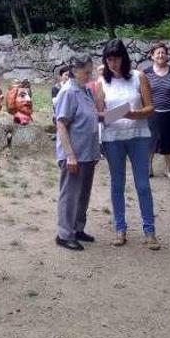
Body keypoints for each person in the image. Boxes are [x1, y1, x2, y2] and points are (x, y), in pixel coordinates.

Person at [95, 39, 160, 250]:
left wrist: (135, 114)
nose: (113, 63)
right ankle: (120, 228)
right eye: (109, 59)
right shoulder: (101, 83)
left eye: (117, 58)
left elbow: (151, 107)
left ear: (124, 57)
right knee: (117, 185)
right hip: (113, 139)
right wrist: (116, 114)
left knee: (142, 184)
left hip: (138, 136)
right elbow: (99, 115)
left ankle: (149, 231)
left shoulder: (138, 77)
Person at [54, 55, 100, 251]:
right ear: (74, 71)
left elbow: (95, 116)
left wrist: (123, 113)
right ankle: (64, 234)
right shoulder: (68, 92)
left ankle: (77, 228)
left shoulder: (85, 90)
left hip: (88, 153)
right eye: (86, 72)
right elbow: (61, 124)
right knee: (71, 194)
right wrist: (70, 155)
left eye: (91, 72)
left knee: (83, 194)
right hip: (75, 154)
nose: (90, 76)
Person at [143, 42, 170, 180]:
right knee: (150, 140)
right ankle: (148, 167)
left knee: (169, 140)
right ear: (152, 56)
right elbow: (141, 93)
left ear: (167, 56)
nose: (161, 55)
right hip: (152, 113)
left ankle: (169, 169)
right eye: (158, 53)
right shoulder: (146, 73)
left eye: (163, 53)